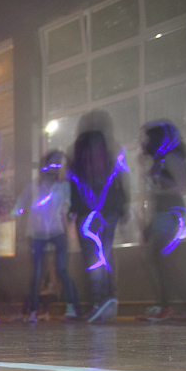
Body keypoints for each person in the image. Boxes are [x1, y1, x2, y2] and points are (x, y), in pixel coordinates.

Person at [138, 120, 186, 322]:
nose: (143, 142)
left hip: (172, 211)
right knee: (161, 262)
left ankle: (167, 307)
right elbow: (154, 193)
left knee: (159, 259)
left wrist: (159, 177)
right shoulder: (159, 160)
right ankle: (183, 308)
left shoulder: (172, 157)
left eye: (147, 138)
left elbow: (182, 186)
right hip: (161, 211)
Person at [69, 124, 129, 323]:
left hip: (92, 213)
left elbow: (76, 191)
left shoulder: (79, 166)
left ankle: (100, 301)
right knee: (104, 253)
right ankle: (108, 300)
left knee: (94, 256)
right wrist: (122, 208)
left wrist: (74, 211)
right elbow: (119, 187)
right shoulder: (110, 163)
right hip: (107, 212)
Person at [14, 151, 79, 322]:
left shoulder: (63, 186)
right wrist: (17, 223)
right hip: (38, 232)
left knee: (62, 268)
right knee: (37, 272)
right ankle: (34, 310)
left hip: (57, 231)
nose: (55, 167)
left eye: (59, 164)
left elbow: (66, 210)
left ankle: (72, 306)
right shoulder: (34, 187)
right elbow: (19, 205)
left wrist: (69, 231)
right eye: (53, 163)